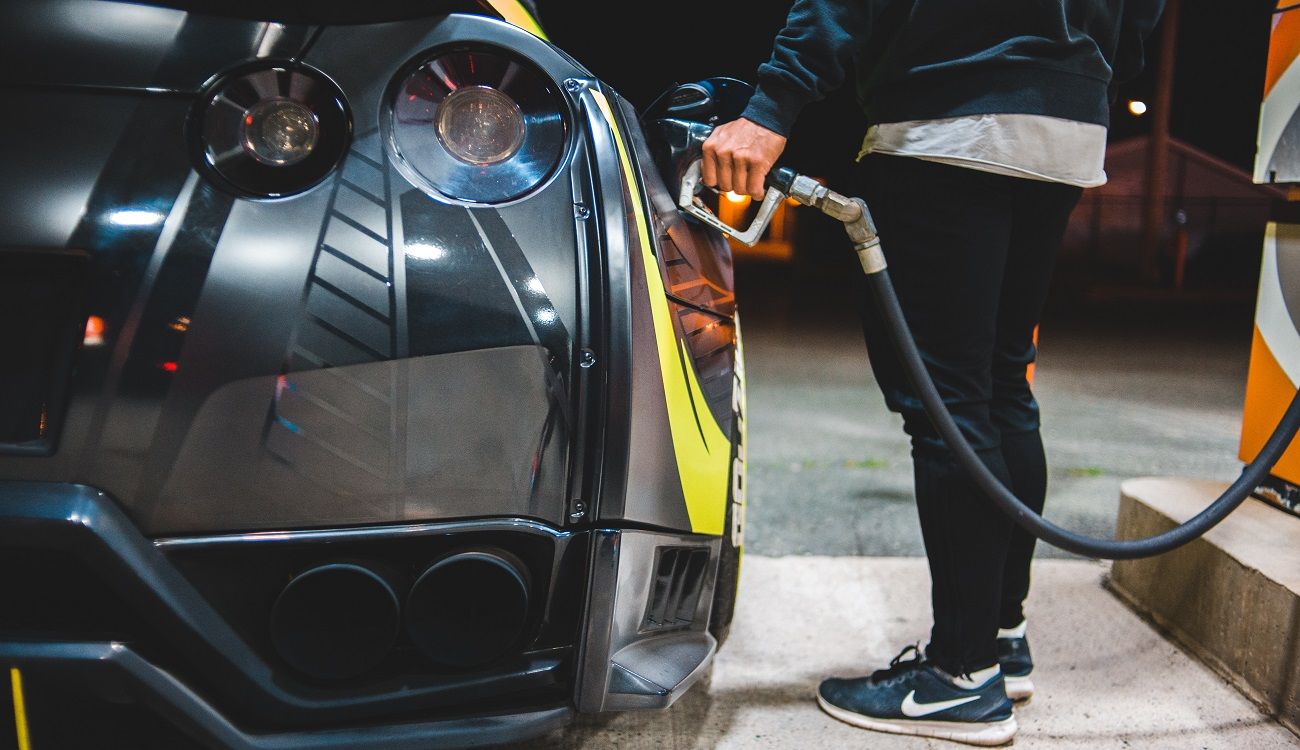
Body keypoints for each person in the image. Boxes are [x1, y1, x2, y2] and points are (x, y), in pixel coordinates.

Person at [701, 0, 1164, 745]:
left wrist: (774, 103)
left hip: (952, 108)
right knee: (1003, 382)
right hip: (1067, 123)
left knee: (947, 402)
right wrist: (1083, 65)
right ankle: (999, 638)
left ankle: (960, 677)